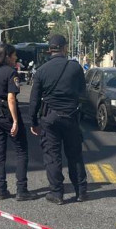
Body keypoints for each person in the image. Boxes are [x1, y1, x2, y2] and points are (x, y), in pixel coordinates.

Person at [29, 34, 88, 204]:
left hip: (50, 118)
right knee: (75, 155)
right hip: (71, 117)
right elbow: (82, 94)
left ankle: (57, 193)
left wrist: (33, 122)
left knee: (52, 156)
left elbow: (34, 100)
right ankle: (81, 192)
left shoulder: (41, 71)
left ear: (50, 49)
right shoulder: (75, 68)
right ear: (65, 48)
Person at [0, 44, 37, 202]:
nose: (16, 58)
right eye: (14, 55)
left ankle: (1, 190)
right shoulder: (11, 72)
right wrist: (15, 121)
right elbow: (11, 98)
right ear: (7, 56)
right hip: (9, 116)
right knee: (21, 151)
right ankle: (22, 190)